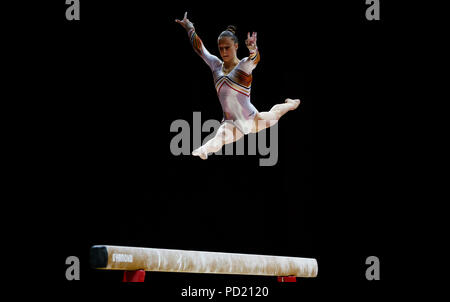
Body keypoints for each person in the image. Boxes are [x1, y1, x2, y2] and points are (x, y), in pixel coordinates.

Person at [175, 12, 300, 159]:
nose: (223, 51)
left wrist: (253, 49)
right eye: (220, 48)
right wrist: (190, 28)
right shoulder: (216, 65)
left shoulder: (243, 67)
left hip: (251, 119)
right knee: (219, 138)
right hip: (230, 122)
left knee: (276, 113)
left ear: (236, 45)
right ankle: (204, 149)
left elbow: (255, 59)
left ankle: (291, 104)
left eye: (227, 47)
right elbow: (200, 50)